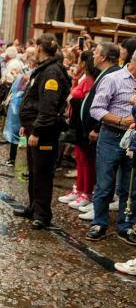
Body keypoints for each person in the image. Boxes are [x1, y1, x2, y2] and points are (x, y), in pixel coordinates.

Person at [13, 34, 71, 229]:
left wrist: (36, 131)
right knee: (34, 171)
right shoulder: (44, 69)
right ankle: (34, 208)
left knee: (42, 173)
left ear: (39, 48)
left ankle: (43, 215)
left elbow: (48, 107)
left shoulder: (52, 72)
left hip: (44, 131)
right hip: (33, 128)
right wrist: (26, 124)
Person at [85, 44, 136, 244]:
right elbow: (96, 109)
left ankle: (126, 225)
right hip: (112, 136)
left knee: (130, 186)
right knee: (105, 184)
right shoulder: (113, 79)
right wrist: (121, 121)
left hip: (133, 139)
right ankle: (99, 223)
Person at [58, 50, 97, 209]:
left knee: (86, 159)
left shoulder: (90, 79)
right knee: (80, 158)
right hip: (77, 123)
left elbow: (87, 100)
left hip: (83, 125)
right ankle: (80, 188)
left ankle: (86, 192)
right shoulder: (83, 77)